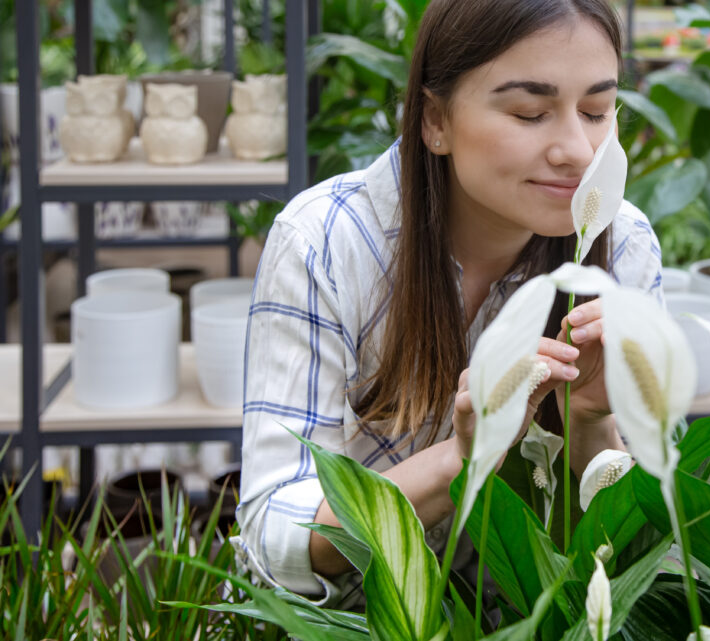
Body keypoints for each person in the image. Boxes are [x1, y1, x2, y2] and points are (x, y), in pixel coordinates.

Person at [233, 0, 664, 607]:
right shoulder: (327, 243)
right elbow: (274, 536)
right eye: (531, 112)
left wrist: (592, 425)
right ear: (435, 120)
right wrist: (461, 459)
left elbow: (648, 554)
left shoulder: (623, 250)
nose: (578, 149)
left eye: (596, 111)